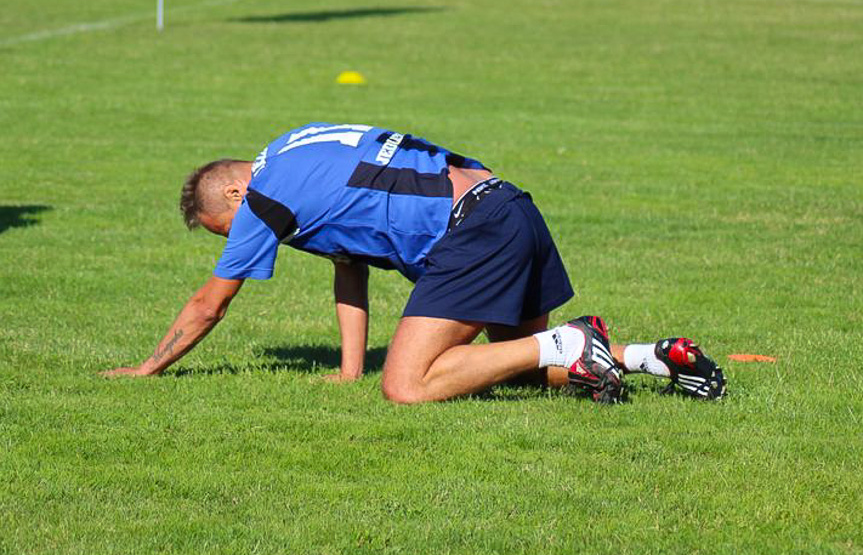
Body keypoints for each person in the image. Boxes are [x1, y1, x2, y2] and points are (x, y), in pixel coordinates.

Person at [103, 123, 726, 403]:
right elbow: (349, 261)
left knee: (405, 386)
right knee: (512, 368)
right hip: (510, 208)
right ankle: (653, 358)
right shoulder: (294, 144)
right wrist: (349, 371)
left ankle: (569, 340)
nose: (235, 238)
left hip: (475, 230)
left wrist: (147, 369)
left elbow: (211, 301)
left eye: (227, 228)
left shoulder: (265, 201)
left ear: (237, 195)